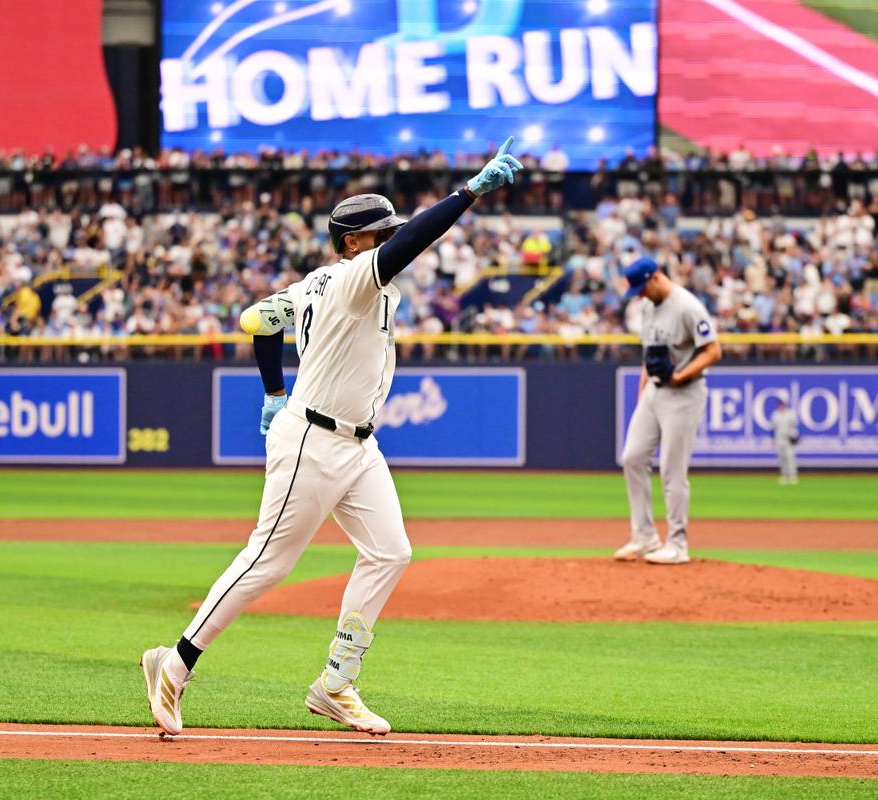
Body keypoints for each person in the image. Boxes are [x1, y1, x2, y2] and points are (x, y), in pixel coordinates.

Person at [139, 137, 524, 737]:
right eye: (380, 234)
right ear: (353, 243)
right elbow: (409, 245)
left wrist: (271, 392)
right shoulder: (350, 280)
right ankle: (175, 663)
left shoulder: (315, 283)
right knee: (269, 561)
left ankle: (336, 683)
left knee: (390, 552)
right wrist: (469, 192)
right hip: (311, 441)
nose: (390, 241)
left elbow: (256, 320)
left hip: (358, 445)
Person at [616, 257, 721, 565]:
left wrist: (680, 375)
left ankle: (677, 543)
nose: (639, 295)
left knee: (672, 471)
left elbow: (714, 350)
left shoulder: (688, 307)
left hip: (684, 393)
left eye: (642, 287)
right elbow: (649, 357)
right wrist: (642, 398)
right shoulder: (649, 307)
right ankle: (645, 537)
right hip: (654, 392)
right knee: (633, 457)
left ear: (656, 277)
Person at [770, 399, 800, 485]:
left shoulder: (790, 414)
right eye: (780, 405)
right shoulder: (775, 415)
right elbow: (772, 428)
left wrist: (795, 435)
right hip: (779, 437)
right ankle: (784, 475)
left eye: (783, 405)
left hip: (788, 438)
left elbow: (795, 426)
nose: (782, 406)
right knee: (781, 458)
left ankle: (792, 475)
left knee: (790, 457)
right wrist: (772, 439)